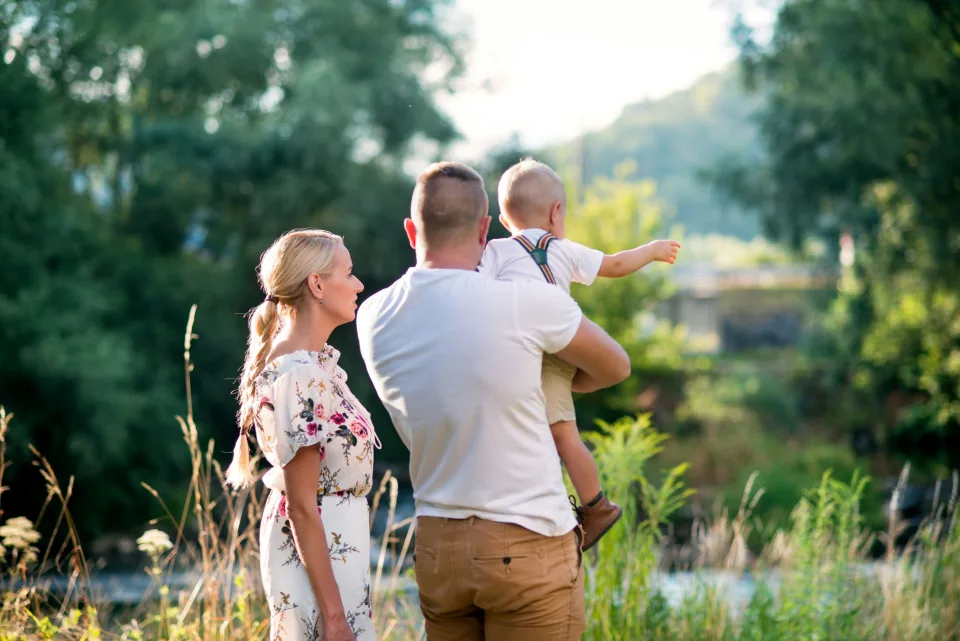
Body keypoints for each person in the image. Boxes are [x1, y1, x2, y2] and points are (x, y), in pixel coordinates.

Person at [355, 161, 631, 641]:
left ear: (410, 229)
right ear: (486, 229)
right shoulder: (525, 302)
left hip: (437, 543)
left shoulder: (373, 314)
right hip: (528, 538)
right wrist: (552, 385)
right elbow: (616, 366)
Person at [479, 157, 681, 550]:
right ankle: (589, 501)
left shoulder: (496, 251)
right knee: (561, 432)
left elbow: (474, 290)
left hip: (521, 351)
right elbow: (617, 264)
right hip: (560, 348)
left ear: (505, 221)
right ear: (557, 213)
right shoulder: (563, 248)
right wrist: (652, 250)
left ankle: (597, 505)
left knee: (557, 431)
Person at [226, 229, 379, 641]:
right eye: (348, 273)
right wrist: (333, 617)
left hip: (335, 551)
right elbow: (302, 505)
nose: (358, 284)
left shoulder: (315, 366)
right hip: (317, 556)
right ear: (316, 284)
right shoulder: (300, 375)